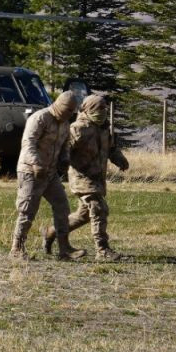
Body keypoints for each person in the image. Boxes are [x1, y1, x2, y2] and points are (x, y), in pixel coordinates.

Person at [48, 93, 129, 261]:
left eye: (104, 109)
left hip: (98, 178)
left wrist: (120, 159)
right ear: (88, 109)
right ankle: (103, 250)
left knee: (84, 215)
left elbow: (111, 148)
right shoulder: (78, 129)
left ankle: (52, 231)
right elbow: (64, 150)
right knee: (99, 209)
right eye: (98, 109)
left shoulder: (104, 128)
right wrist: (59, 166)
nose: (103, 112)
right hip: (82, 178)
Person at [10, 90, 82, 260]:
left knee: (62, 206)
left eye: (73, 111)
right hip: (30, 171)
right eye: (68, 110)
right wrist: (36, 164)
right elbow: (28, 143)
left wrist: (64, 159)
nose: (70, 114)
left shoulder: (64, 123)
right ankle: (17, 249)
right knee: (27, 210)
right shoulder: (40, 118)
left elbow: (65, 144)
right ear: (59, 105)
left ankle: (64, 249)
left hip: (50, 173)